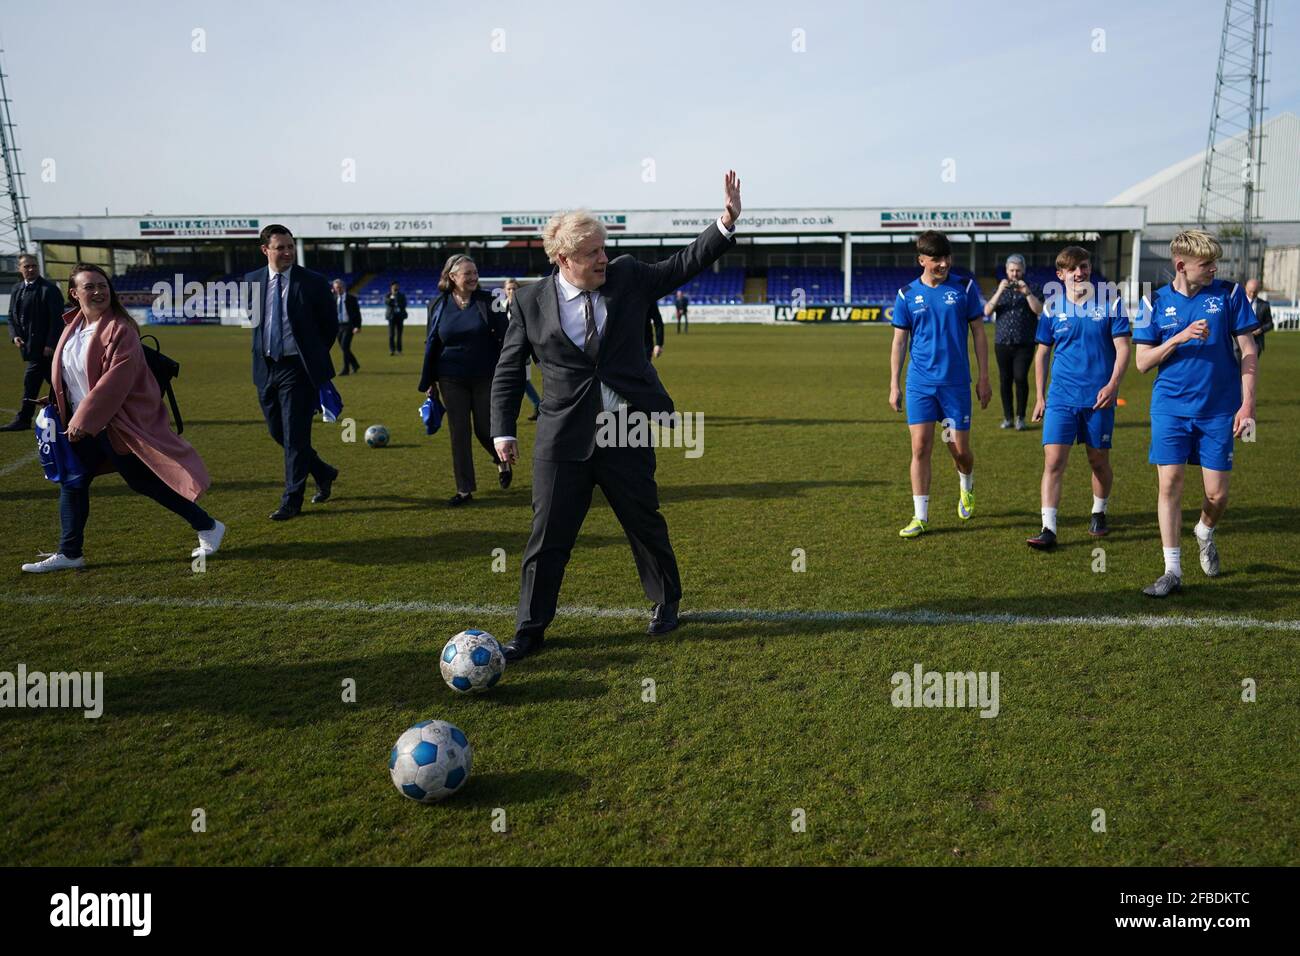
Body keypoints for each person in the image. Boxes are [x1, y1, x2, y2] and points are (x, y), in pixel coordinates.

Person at [490, 169, 742, 661]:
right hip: (561, 436)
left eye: (604, 249)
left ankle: (666, 602)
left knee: (643, 521)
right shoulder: (528, 301)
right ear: (564, 259)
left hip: (624, 427)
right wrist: (502, 430)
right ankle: (530, 629)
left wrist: (725, 223)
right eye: (592, 254)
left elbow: (682, 264)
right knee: (547, 538)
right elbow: (508, 367)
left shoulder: (627, 275)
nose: (603, 258)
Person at [20, 264, 224, 572]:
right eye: (90, 286)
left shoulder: (121, 329)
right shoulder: (71, 327)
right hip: (83, 422)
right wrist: (54, 401)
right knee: (73, 483)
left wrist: (83, 421)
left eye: (103, 285)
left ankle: (207, 525)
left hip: (115, 423)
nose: (99, 291)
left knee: (143, 481)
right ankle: (70, 552)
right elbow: (72, 375)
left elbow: (114, 382)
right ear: (74, 293)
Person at [1133, 229, 1258, 597]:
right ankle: (1172, 570)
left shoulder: (1230, 294)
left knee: (1217, 495)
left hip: (1219, 409)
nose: (1214, 269)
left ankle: (1204, 530)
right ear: (1181, 266)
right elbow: (1141, 363)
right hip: (1170, 408)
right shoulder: (1154, 303)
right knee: (1169, 484)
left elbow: (1248, 350)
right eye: (1207, 264)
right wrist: (1178, 337)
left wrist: (1247, 403)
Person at [1026, 246, 1130, 549]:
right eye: (1072, 269)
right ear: (1060, 275)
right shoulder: (1051, 307)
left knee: (1098, 461)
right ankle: (1049, 528)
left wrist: (1113, 385)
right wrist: (1040, 396)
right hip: (1061, 397)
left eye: (1083, 267)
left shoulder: (1111, 302)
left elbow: (1123, 348)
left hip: (1099, 397)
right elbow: (1042, 352)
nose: (1079, 273)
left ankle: (1099, 511)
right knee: (1054, 461)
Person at [889, 230, 992, 538]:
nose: (944, 264)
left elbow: (979, 334)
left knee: (958, 451)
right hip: (921, 385)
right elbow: (899, 342)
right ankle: (920, 516)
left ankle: (967, 483)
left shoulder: (964, 288)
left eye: (947, 258)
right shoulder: (907, 294)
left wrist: (984, 377)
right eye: (936, 259)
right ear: (922, 260)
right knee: (920, 446)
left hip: (954, 387)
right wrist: (894, 384)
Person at [245, 224, 340, 521]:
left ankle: (292, 499)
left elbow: (329, 326)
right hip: (266, 367)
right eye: (280, 247)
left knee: (296, 436)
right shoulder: (252, 281)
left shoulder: (313, 282)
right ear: (265, 250)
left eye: (290, 246)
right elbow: (257, 323)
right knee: (278, 432)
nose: (287, 252)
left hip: (298, 369)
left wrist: (310, 356)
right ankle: (323, 472)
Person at [418, 254, 511, 505]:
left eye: (475, 273)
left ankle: (502, 459)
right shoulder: (437, 304)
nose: (473, 277)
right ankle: (464, 489)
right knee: (459, 433)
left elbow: (506, 337)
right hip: (450, 377)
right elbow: (432, 344)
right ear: (452, 277)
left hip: (485, 376)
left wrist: (509, 371)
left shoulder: (490, 300)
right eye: (467, 273)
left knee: (484, 429)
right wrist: (430, 381)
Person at [2, 254, 65, 432]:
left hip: (45, 349)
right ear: (19, 269)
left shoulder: (49, 289)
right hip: (30, 347)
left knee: (33, 381)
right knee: (56, 383)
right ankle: (70, 412)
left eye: (33, 266)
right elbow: (11, 317)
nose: (31, 269)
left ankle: (23, 418)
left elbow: (57, 320)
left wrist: (50, 345)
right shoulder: (17, 289)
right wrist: (15, 336)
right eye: (27, 266)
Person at [984, 253, 1043, 430]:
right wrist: (1000, 290)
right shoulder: (999, 289)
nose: (1015, 274)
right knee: (1005, 380)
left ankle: (1020, 417)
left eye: (1018, 270)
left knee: (1020, 378)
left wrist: (1027, 294)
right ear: (1006, 271)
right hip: (1002, 342)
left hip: (1024, 342)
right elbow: (986, 311)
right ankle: (1008, 417)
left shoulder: (1033, 288)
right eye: (1011, 270)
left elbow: (1039, 310)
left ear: (1023, 270)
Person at [503, 278, 541, 420]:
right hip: (507, 351)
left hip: (522, 351)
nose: (512, 291)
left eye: (514, 288)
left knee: (521, 381)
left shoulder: (523, 306)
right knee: (519, 382)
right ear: (504, 291)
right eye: (509, 289)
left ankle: (537, 405)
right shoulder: (503, 306)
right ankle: (537, 405)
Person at [1236, 278, 1273, 363]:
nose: (1252, 294)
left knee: (1251, 369)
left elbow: (1270, 324)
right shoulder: (1237, 302)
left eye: (1255, 292)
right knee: (1236, 369)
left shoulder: (1264, 305)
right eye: (1250, 291)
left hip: (1256, 342)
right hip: (1237, 342)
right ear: (1245, 288)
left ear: (1259, 290)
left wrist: (1260, 330)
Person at [331, 278, 362, 375]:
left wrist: (357, 326)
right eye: (336, 288)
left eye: (340, 287)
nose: (338, 289)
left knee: (344, 346)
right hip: (338, 326)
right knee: (344, 347)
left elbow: (357, 314)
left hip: (349, 325)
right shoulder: (333, 298)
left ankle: (346, 369)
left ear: (344, 287)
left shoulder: (351, 299)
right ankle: (355, 364)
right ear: (334, 288)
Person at [385, 282, 408, 355]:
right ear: (391, 288)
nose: (395, 288)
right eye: (394, 286)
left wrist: (397, 303)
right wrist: (392, 297)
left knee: (399, 334)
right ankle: (392, 350)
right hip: (391, 317)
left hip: (400, 316)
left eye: (396, 286)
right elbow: (387, 303)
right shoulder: (388, 295)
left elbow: (404, 304)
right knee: (391, 334)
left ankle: (399, 350)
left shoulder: (401, 295)